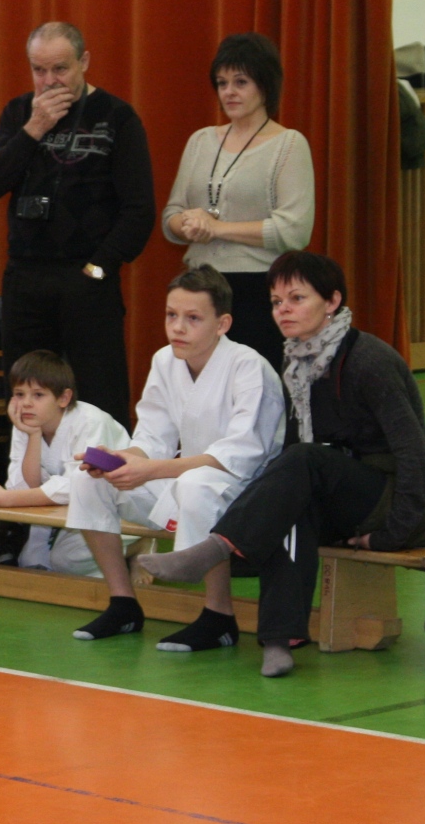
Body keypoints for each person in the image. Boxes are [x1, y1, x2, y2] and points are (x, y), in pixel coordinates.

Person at [139, 252, 425, 678]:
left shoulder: (370, 360)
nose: (284, 310)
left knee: (303, 460)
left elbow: (416, 455)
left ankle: (214, 548)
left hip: (395, 500)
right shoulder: (297, 362)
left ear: (331, 301)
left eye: (296, 298)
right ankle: (279, 641)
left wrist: (392, 534)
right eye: (277, 302)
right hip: (338, 492)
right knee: (292, 500)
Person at [65, 266, 283, 648]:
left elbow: (239, 456)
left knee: (196, 486)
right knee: (89, 480)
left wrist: (152, 469)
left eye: (193, 318)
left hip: (247, 491)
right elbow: (153, 438)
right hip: (183, 475)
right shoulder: (165, 361)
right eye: (171, 315)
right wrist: (118, 459)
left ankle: (219, 616)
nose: (178, 328)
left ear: (222, 324)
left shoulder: (250, 368)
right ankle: (123, 603)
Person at [0, 21, 155, 421]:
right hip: (25, 278)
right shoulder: (19, 113)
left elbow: (139, 210)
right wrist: (34, 129)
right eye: (39, 70)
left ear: (84, 62)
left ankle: (103, 465)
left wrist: (97, 269)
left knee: (99, 396)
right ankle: (27, 463)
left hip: (87, 279)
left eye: (60, 69)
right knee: (26, 397)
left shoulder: (117, 117)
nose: (49, 81)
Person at [162, 33, 314, 372]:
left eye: (241, 82)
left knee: (252, 389)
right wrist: (188, 224)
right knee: (197, 387)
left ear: (265, 85)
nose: (229, 91)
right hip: (199, 288)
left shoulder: (288, 144)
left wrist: (217, 228)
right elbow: (171, 216)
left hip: (256, 289)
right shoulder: (200, 141)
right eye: (222, 83)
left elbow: (294, 230)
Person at [0, 350, 131, 575]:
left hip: (119, 506)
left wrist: (7, 499)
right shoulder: (26, 424)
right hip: (68, 508)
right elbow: (25, 488)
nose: (26, 403)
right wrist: (33, 435)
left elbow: (77, 485)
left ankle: (136, 547)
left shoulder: (91, 422)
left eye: (38, 395)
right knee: (31, 563)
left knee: (64, 561)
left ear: (63, 398)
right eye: (19, 394)